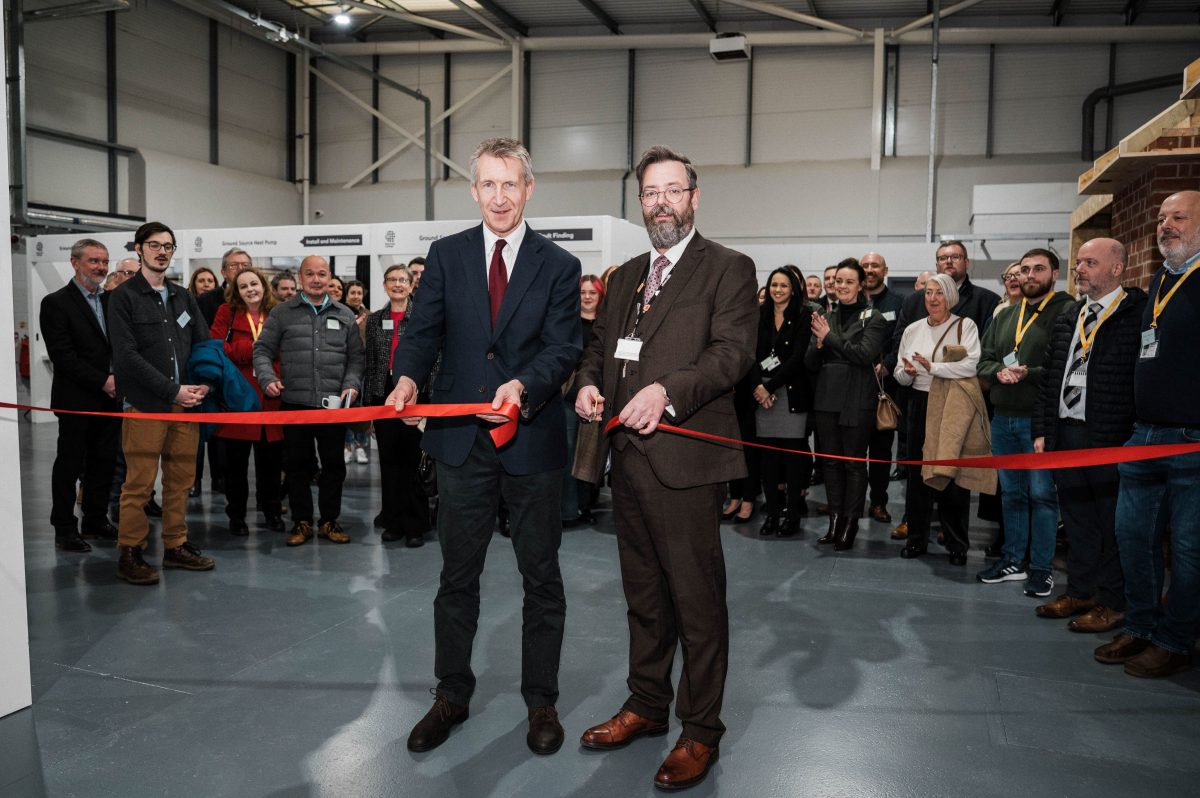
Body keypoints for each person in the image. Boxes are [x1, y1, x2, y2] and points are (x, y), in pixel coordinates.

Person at [387, 138, 581, 756]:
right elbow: (423, 331)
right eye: (488, 185)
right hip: (459, 442)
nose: (500, 197)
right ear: (474, 192)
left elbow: (564, 348)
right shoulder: (446, 256)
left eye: (511, 184)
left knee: (541, 577)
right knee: (456, 578)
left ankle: (541, 701)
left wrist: (523, 387)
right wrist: (408, 377)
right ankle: (451, 694)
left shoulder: (558, 265)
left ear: (529, 189)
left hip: (530, 437)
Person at [574, 145, 756, 791]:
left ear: (694, 198)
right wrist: (588, 386)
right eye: (651, 192)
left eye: (673, 191)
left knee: (697, 602)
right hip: (626, 460)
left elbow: (732, 354)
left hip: (686, 460)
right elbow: (599, 349)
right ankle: (647, 705)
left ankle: (700, 730)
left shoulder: (729, 269)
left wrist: (668, 391)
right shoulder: (624, 277)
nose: (661, 203)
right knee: (645, 598)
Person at [1094, 191, 1200, 678]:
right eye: (1161, 218)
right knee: (1132, 537)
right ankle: (1140, 624)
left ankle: (1176, 639)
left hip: (1192, 442)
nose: (1166, 225)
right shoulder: (1160, 280)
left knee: (1187, 550)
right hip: (1144, 435)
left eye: (1178, 217)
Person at [1032, 238, 1144, 633]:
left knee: (1113, 525)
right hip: (1066, 433)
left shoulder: (1137, 315)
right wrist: (1044, 431)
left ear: (1116, 269)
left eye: (1090, 262)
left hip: (1110, 438)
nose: (1079, 269)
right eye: (1078, 262)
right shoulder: (1070, 316)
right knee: (1077, 521)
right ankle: (1080, 591)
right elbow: (1049, 380)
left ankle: (1112, 602)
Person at [107, 221, 215, 585]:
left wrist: (202, 383)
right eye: (154, 245)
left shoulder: (183, 296)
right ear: (139, 249)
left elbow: (203, 344)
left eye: (168, 246)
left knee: (180, 481)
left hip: (187, 407)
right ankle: (130, 551)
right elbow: (125, 357)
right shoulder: (124, 297)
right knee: (138, 484)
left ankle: (175, 545)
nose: (162, 251)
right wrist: (172, 391)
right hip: (145, 405)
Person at [975, 248, 1074, 596]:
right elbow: (982, 362)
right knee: (1012, 495)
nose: (1029, 276)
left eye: (1038, 269)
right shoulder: (1005, 316)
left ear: (1054, 273)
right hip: (1004, 419)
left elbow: (1068, 366)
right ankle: (1013, 560)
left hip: (1040, 421)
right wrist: (997, 372)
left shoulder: (1067, 311)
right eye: (1025, 270)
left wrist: (1027, 373)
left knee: (1043, 497)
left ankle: (1041, 568)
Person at [253, 255, 362, 547]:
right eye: (310, 274)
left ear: (329, 278)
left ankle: (329, 520)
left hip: (333, 407)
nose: (316, 279)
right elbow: (261, 350)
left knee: (334, 466)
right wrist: (266, 378)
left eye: (322, 274)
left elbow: (355, 359)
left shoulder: (345, 315)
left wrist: (351, 386)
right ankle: (301, 521)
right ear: (301, 278)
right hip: (295, 404)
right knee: (297, 466)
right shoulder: (282, 314)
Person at [893, 273, 984, 565]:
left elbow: (970, 365)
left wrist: (931, 367)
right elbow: (898, 374)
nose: (932, 298)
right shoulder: (912, 329)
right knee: (918, 476)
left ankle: (957, 544)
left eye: (939, 293)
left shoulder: (964, 326)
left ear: (951, 297)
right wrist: (907, 372)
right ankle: (916, 538)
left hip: (950, 405)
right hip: (918, 404)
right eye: (929, 292)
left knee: (951, 476)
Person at [41, 238, 121, 553]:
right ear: (75, 263)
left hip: (110, 400)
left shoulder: (112, 301)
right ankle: (64, 528)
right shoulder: (56, 303)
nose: (100, 267)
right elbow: (63, 355)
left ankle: (95, 519)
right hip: (77, 400)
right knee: (69, 465)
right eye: (93, 261)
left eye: (104, 261)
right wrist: (103, 381)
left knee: (103, 463)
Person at [806, 260, 888, 551]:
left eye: (848, 281)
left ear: (861, 284)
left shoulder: (874, 318)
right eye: (838, 281)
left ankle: (850, 524)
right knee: (830, 463)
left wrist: (829, 339)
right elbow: (810, 363)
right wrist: (818, 346)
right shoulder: (824, 314)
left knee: (854, 464)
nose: (841, 286)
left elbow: (864, 355)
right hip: (827, 398)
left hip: (856, 399)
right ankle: (834, 521)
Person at [210, 266, 285, 536]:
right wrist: (254, 349)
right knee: (235, 466)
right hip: (238, 397)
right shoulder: (226, 313)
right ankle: (237, 516)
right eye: (244, 286)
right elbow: (217, 347)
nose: (250, 289)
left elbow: (287, 347)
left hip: (272, 396)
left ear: (263, 285)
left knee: (271, 464)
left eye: (254, 283)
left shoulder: (279, 312)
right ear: (237, 292)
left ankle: (272, 512)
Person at [362, 264, 430, 547]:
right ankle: (393, 521)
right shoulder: (374, 321)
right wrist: (368, 409)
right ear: (384, 284)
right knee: (388, 462)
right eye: (393, 280)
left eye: (403, 279)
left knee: (414, 461)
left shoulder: (425, 318)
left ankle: (415, 524)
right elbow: (369, 364)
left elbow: (433, 358)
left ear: (412, 284)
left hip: (417, 393)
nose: (398, 284)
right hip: (383, 396)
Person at [751, 267, 814, 537]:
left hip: (789, 393)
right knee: (768, 460)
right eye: (774, 285)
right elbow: (749, 354)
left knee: (792, 459)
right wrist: (758, 387)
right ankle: (772, 514)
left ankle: (792, 515)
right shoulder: (759, 315)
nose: (778, 290)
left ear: (793, 289)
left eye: (784, 286)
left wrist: (768, 387)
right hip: (762, 395)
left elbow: (797, 358)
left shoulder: (803, 315)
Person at [861, 251, 903, 525]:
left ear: (885, 269)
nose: (869, 269)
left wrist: (887, 363)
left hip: (882, 389)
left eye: (874, 265)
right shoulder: (851, 302)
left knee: (879, 452)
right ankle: (846, 502)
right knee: (850, 452)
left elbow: (901, 339)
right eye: (864, 265)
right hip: (853, 389)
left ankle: (878, 502)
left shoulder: (900, 303)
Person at [565, 274, 605, 526]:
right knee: (569, 455)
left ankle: (585, 507)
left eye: (593, 292)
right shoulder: (568, 324)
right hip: (568, 398)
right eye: (583, 292)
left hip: (599, 399)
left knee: (592, 456)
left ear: (601, 296)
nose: (588, 297)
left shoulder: (607, 325)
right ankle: (568, 511)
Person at [341, 279, 371, 464]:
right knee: (345, 410)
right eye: (352, 292)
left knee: (362, 411)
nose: (356, 296)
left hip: (364, 369)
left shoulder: (370, 316)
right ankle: (347, 446)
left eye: (359, 293)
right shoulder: (340, 314)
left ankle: (361, 446)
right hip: (343, 370)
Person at [197, 248, 251, 326]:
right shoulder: (205, 301)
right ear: (224, 272)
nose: (240, 269)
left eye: (245, 265)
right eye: (234, 265)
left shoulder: (261, 297)